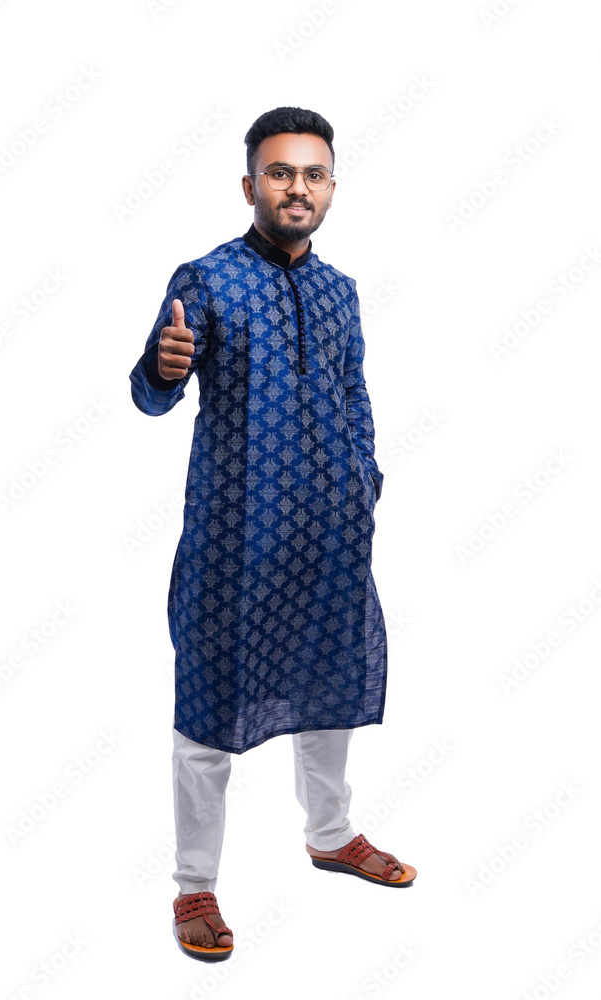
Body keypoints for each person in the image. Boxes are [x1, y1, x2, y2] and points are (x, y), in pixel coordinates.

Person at [129, 106, 417, 962]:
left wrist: (364, 480)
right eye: (281, 172)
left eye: (313, 174)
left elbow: (353, 390)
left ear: (329, 187)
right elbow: (151, 394)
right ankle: (194, 885)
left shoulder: (339, 291)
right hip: (235, 537)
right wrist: (160, 370)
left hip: (331, 529)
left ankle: (331, 836)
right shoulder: (208, 279)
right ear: (250, 185)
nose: (298, 187)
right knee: (209, 706)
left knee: (330, 683)